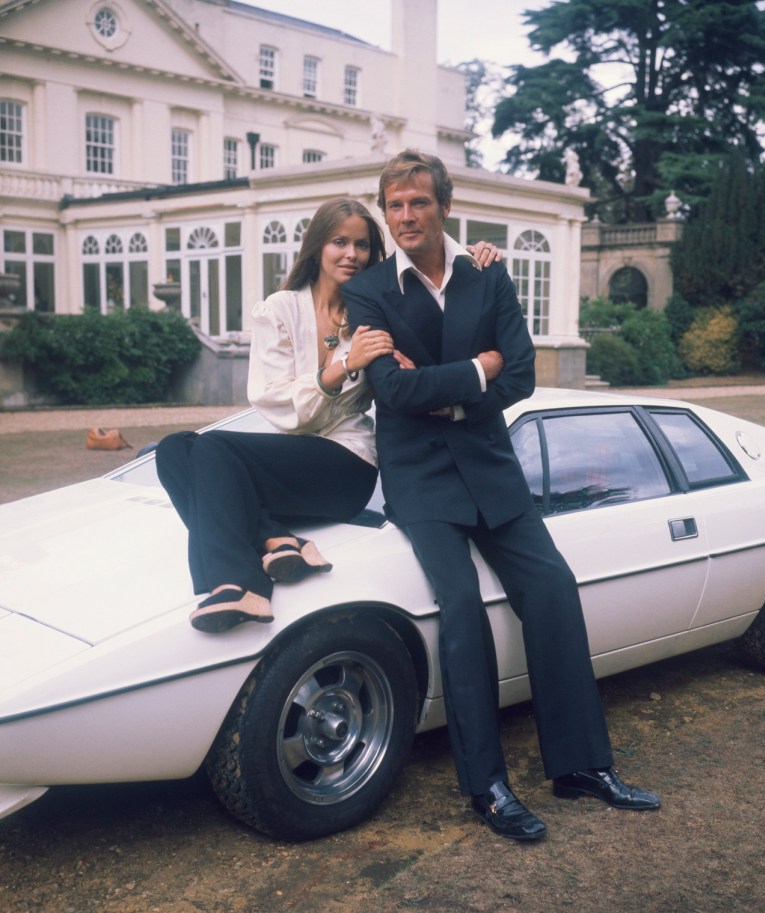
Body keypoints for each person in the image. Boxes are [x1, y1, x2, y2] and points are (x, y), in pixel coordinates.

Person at [343, 150, 661, 842]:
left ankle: (580, 766)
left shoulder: (486, 275)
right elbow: (391, 392)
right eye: (393, 205)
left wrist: (457, 386)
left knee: (551, 586)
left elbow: (518, 375)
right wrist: (474, 371)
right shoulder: (369, 292)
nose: (404, 217)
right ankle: (487, 787)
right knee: (460, 607)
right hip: (418, 478)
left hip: (490, 466)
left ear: (445, 205)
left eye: (417, 202)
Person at [156, 198, 499, 635]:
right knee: (173, 450)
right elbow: (277, 405)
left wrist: (470, 256)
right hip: (293, 461)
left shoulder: (378, 312)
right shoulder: (280, 310)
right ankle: (276, 539)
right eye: (339, 242)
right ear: (318, 246)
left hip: (347, 464)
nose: (351, 255)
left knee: (211, 446)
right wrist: (343, 365)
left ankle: (239, 581)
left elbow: (426, 267)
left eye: (361, 245)